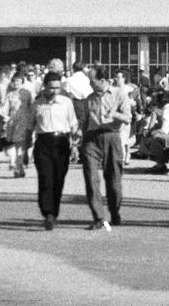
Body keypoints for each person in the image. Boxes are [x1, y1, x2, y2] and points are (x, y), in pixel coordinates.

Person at [80, 74, 131, 230]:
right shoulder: (89, 99)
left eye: (92, 81)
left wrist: (113, 114)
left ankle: (115, 212)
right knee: (91, 178)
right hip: (91, 139)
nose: (90, 84)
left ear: (103, 80)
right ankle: (98, 217)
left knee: (114, 179)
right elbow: (84, 121)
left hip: (111, 137)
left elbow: (128, 118)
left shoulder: (119, 95)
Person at [30, 71, 79, 230]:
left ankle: (54, 212)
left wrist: (75, 146)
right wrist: (24, 151)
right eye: (51, 88)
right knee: (45, 178)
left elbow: (73, 124)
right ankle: (48, 214)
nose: (54, 91)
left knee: (58, 179)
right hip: (43, 142)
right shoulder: (37, 104)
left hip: (61, 142)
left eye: (57, 88)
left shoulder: (66, 102)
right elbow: (30, 127)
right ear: (45, 87)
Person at [4, 71, 35, 179]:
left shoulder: (27, 93)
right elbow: (5, 108)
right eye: (14, 81)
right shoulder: (9, 94)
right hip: (12, 121)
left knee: (20, 145)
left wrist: (32, 120)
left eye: (18, 81)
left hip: (24, 121)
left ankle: (18, 166)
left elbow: (32, 107)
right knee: (14, 146)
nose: (16, 83)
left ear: (22, 82)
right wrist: (5, 117)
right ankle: (19, 165)